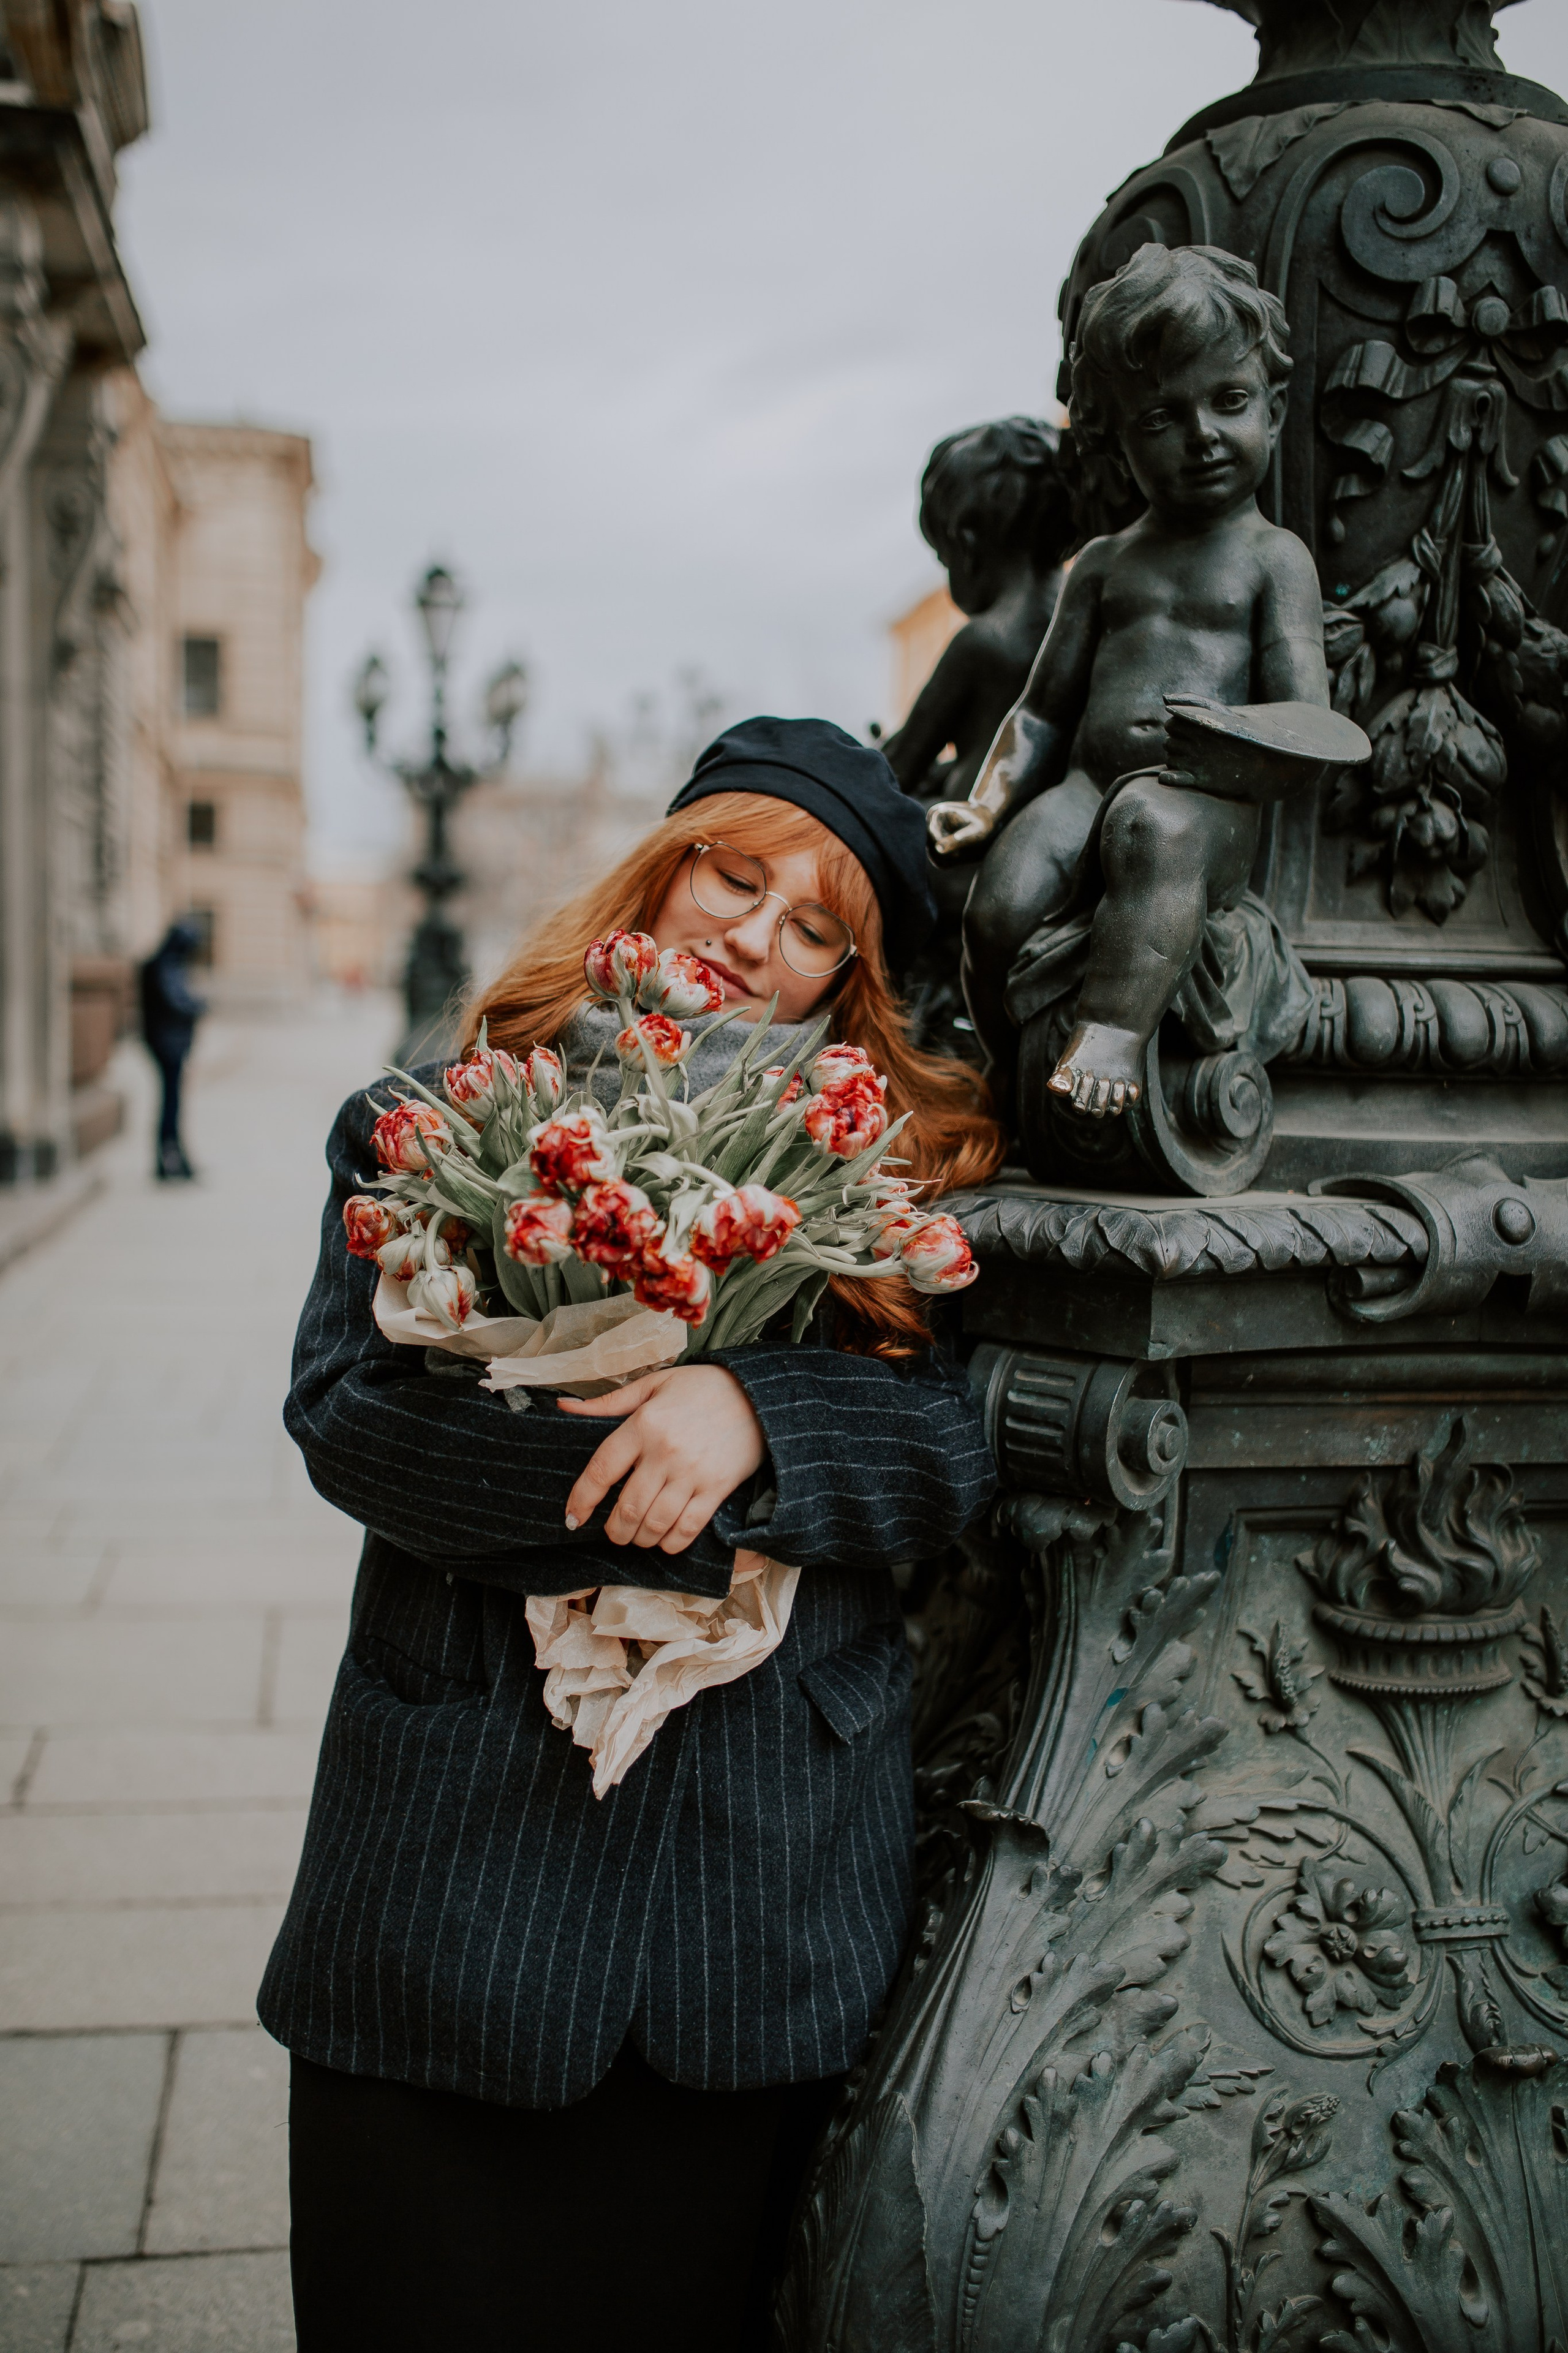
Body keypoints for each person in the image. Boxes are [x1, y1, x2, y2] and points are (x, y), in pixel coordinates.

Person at [263, 716, 1006, 2352]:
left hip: (755, 1903)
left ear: (847, 982)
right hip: (452, 1885)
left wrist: (749, 1420)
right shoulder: (440, 1114)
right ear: (656, 874)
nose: (754, 935)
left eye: (815, 927)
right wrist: (638, 1478)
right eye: (733, 877)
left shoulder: (898, 1180)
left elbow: (957, 1444)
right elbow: (353, 1416)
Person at [927, 244, 1329, 1114]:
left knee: (1154, 825)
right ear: (1117, 437)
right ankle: (1008, 1071)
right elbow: (1040, 711)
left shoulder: (1275, 560)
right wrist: (989, 802)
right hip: (1085, 784)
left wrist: (1230, 745)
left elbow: (1308, 718)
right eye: (1161, 419)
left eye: (1230, 402)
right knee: (998, 908)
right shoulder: (1105, 564)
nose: (1203, 437)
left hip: (1201, 805)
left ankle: (1114, 1029)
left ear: (1276, 405)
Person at [138, 918, 206, 1179]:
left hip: (173, 1045)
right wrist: (198, 1005)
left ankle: (174, 1157)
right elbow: (177, 1002)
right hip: (167, 1046)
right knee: (170, 1104)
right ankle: (168, 1159)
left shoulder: (170, 965)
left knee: (173, 1103)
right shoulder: (163, 966)